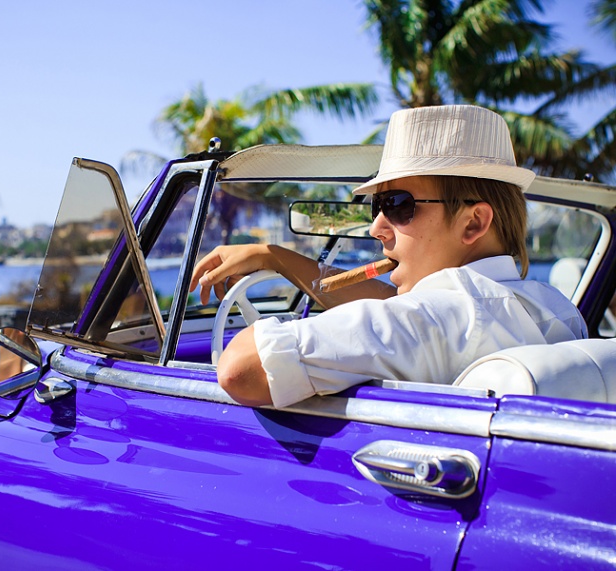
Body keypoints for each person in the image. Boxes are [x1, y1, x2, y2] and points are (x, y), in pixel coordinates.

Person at [189, 105, 588, 408]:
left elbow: (240, 368)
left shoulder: (425, 322)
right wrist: (274, 257)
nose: (375, 228)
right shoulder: (557, 310)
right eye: (377, 206)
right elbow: (403, 310)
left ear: (473, 223)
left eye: (398, 205)